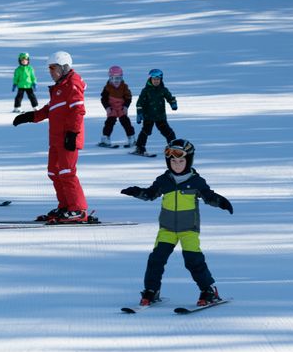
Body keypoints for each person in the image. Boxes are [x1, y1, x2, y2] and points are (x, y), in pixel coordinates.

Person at [120, 138, 233, 307]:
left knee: (193, 260)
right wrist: (137, 192)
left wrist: (221, 201)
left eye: (181, 160)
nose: (177, 164)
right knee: (156, 260)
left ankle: (208, 290)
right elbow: (150, 194)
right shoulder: (164, 180)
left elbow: (209, 197)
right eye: (173, 161)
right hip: (167, 229)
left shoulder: (196, 181)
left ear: (189, 161)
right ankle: (151, 290)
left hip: (189, 229)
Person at [13, 50, 88, 223]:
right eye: (49, 69)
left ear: (63, 67)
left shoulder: (72, 84)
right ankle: (66, 206)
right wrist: (29, 117)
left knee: (67, 173)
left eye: (53, 68)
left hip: (67, 138)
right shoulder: (59, 88)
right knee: (54, 172)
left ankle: (78, 210)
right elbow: (50, 109)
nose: (50, 72)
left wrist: (72, 133)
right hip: (56, 139)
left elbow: (78, 110)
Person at [133, 68, 177, 156]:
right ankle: (139, 148)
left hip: (160, 116)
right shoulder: (146, 90)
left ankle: (174, 148)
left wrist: (173, 103)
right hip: (148, 116)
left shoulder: (163, 90)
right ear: (150, 79)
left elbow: (170, 97)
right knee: (146, 131)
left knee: (168, 132)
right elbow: (139, 103)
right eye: (154, 79)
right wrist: (139, 113)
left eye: (158, 79)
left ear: (161, 80)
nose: (156, 81)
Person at [99, 66, 135, 147]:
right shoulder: (107, 87)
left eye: (119, 78)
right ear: (110, 78)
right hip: (112, 109)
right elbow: (103, 99)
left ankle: (131, 138)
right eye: (114, 79)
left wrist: (126, 107)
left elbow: (128, 97)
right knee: (109, 123)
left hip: (121, 108)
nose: (116, 81)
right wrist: (107, 107)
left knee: (126, 122)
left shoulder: (124, 87)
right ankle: (105, 138)